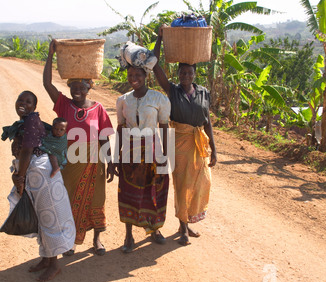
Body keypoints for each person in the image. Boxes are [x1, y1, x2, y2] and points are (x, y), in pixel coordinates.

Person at [43, 40, 115, 256]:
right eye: (73, 87)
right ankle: (71, 240)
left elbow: (104, 137)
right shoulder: (64, 104)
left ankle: (97, 240)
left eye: (81, 87)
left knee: (96, 198)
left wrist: (110, 163)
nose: (77, 91)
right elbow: (47, 84)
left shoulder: (98, 108)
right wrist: (50, 55)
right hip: (70, 162)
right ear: (69, 88)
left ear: (89, 87)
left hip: (95, 162)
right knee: (70, 198)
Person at [153, 25, 217, 246]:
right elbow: (155, 67)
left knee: (200, 183)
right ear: (177, 74)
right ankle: (182, 229)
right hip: (178, 143)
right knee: (181, 185)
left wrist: (214, 150)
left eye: (189, 72)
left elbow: (207, 121)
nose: (186, 76)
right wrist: (160, 39)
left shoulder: (203, 92)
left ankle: (187, 221)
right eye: (182, 73)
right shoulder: (172, 91)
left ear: (195, 74)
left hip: (200, 144)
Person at [2, 90, 76, 281]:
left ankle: (54, 264)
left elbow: (27, 151)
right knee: (42, 218)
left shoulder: (31, 120)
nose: (23, 103)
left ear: (34, 107)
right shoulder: (23, 123)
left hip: (43, 176)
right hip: (35, 175)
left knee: (49, 218)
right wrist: (20, 176)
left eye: (28, 101)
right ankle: (46, 258)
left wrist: (19, 176)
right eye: (20, 99)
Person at [115, 62, 171, 253]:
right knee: (128, 190)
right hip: (130, 150)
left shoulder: (159, 99)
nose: (133, 79)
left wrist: (165, 155)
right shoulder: (123, 100)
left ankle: (154, 229)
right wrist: (116, 156)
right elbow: (120, 128)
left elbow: (164, 127)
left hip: (152, 148)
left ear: (145, 75)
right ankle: (128, 235)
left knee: (155, 188)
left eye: (137, 75)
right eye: (130, 75)